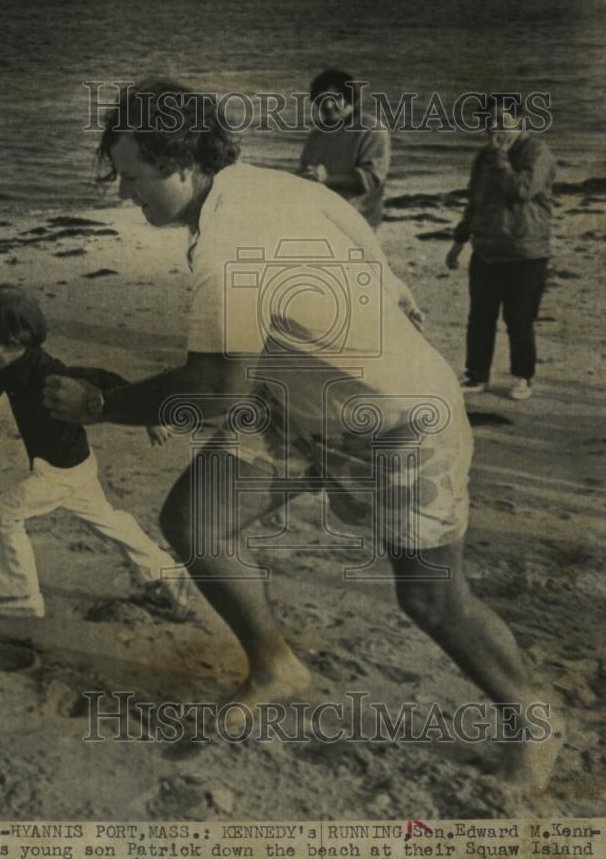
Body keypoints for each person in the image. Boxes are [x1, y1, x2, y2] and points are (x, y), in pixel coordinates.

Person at [44, 81, 561, 788]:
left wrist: (104, 406)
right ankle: (275, 665)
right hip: (295, 400)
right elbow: (390, 290)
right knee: (196, 521)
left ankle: (530, 715)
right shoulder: (274, 186)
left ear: (182, 163)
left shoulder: (229, 244)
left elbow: (212, 392)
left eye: (132, 177)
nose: (123, 194)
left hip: (401, 421)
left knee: (431, 598)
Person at [0, 284, 187, 619]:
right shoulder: (2, 368)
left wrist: (149, 417)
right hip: (74, 463)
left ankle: (17, 598)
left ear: (14, 339)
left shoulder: (49, 371)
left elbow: (107, 380)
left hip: (58, 470)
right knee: (107, 522)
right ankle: (167, 573)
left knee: (1, 515)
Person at [446, 99, 557, 400]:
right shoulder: (485, 156)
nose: (494, 128)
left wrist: (499, 157)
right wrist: (458, 244)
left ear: (520, 120)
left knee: (519, 319)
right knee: (480, 318)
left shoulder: (536, 151)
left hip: (526, 251)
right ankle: (476, 375)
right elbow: (475, 202)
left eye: (501, 120)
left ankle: (523, 377)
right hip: (486, 251)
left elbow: (521, 190)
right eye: (489, 122)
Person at [298, 68, 391, 228]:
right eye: (321, 99)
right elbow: (304, 174)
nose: (327, 105)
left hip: (357, 221)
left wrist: (326, 180)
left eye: (335, 98)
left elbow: (370, 179)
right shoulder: (316, 135)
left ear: (350, 98)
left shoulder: (371, 129)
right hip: (319, 218)